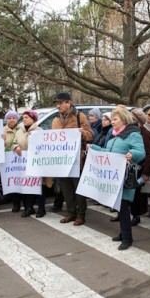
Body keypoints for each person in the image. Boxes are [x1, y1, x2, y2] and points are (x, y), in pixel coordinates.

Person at [89, 106, 145, 250]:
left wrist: (132, 154)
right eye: (112, 119)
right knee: (119, 207)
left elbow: (141, 152)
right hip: (113, 177)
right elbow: (108, 153)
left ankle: (127, 238)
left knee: (124, 207)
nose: (112, 121)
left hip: (125, 176)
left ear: (124, 119)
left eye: (115, 119)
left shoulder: (133, 134)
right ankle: (123, 233)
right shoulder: (114, 135)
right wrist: (94, 148)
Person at [51, 92, 94, 226]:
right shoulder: (55, 119)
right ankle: (70, 212)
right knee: (66, 189)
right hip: (62, 161)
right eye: (57, 103)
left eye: (60, 103)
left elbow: (90, 136)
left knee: (78, 189)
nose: (58, 106)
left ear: (68, 102)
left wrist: (83, 133)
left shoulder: (79, 116)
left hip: (76, 160)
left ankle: (81, 214)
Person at [12, 109, 48, 218]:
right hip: (23, 164)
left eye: (26, 117)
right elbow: (13, 143)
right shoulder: (19, 131)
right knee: (27, 186)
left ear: (33, 119)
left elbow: (43, 146)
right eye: (23, 118)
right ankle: (29, 207)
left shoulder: (39, 130)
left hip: (36, 163)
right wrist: (16, 147)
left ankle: (41, 208)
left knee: (39, 186)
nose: (24, 120)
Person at [3, 110, 25, 213]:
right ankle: (16, 204)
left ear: (17, 119)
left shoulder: (22, 129)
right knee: (13, 182)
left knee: (23, 181)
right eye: (9, 118)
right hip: (9, 161)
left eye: (14, 118)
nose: (11, 120)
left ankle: (26, 203)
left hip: (21, 159)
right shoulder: (2, 131)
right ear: (6, 119)